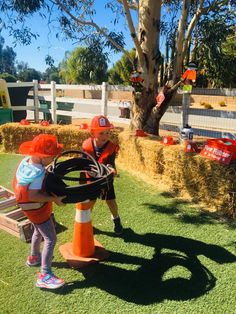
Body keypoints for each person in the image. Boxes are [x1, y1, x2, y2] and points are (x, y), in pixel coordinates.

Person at [12, 134, 65, 290]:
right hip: (36, 209)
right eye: (51, 156)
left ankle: (34, 257)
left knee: (37, 231)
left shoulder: (27, 161)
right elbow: (33, 195)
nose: (54, 158)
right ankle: (45, 275)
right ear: (42, 157)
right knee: (50, 238)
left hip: (27, 209)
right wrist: (54, 199)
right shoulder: (37, 173)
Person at [82, 115, 123, 235]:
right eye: (101, 133)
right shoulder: (86, 146)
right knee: (90, 202)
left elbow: (111, 164)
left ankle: (116, 219)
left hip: (105, 180)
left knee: (111, 201)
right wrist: (89, 170)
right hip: (91, 179)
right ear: (92, 133)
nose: (105, 136)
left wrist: (111, 170)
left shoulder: (111, 147)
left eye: (107, 132)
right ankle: (86, 222)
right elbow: (82, 163)